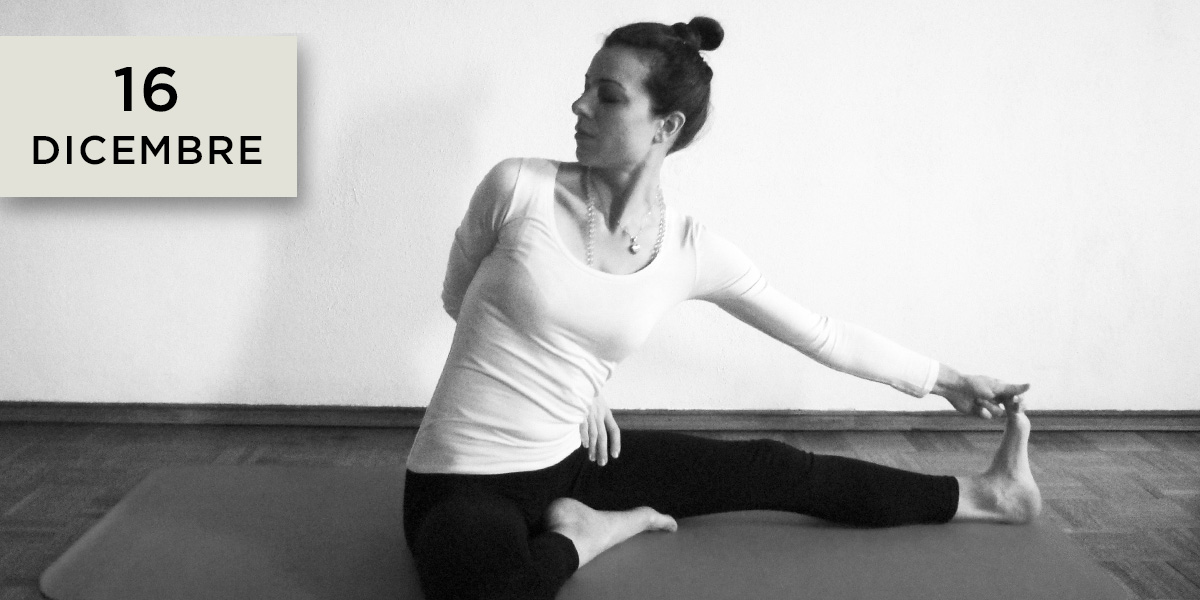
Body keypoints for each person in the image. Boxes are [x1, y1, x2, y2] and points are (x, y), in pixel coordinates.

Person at [403, 16, 1041, 600]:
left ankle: (988, 495)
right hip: (461, 479)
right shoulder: (517, 188)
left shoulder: (689, 250)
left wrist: (950, 382)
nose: (581, 104)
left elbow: (824, 335)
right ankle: (586, 536)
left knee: (775, 467)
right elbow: (457, 297)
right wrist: (577, 389)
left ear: (666, 126)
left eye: (608, 95)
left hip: (577, 465)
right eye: (585, 86)